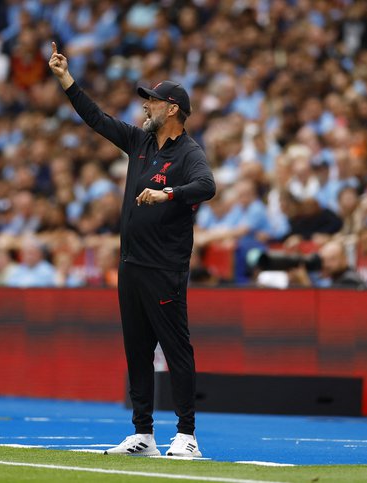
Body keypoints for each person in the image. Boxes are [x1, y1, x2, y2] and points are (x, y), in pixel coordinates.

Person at [49, 42, 215, 458]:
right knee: (137, 351)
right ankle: (143, 433)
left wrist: (168, 194)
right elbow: (97, 119)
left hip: (164, 267)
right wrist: (66, 79)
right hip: (132, 265)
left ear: (172, 109)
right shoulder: (140, 143)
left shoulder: (189, 153)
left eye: (153, 102)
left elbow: (207, 186)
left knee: (176, 349)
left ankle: (187, 435)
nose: (146, 107)